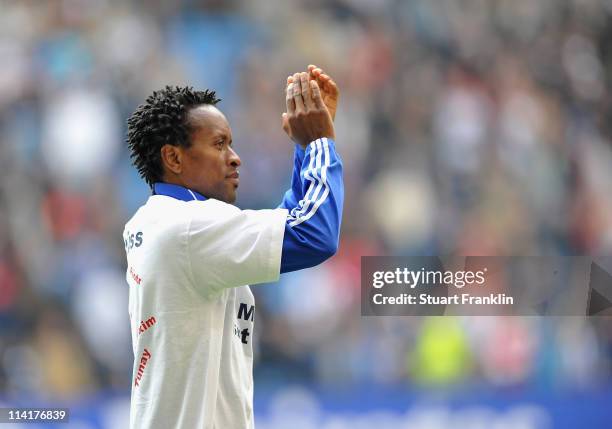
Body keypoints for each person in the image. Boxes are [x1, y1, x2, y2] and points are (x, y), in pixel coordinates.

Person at [123, 65, 343, 429]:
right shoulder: (189, 228)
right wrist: (320, 144)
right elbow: (315, 233)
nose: (235, 157)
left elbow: (289, 221)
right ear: (174, 158)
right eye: (219, 144)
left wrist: (306, 147)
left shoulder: (161, 222)